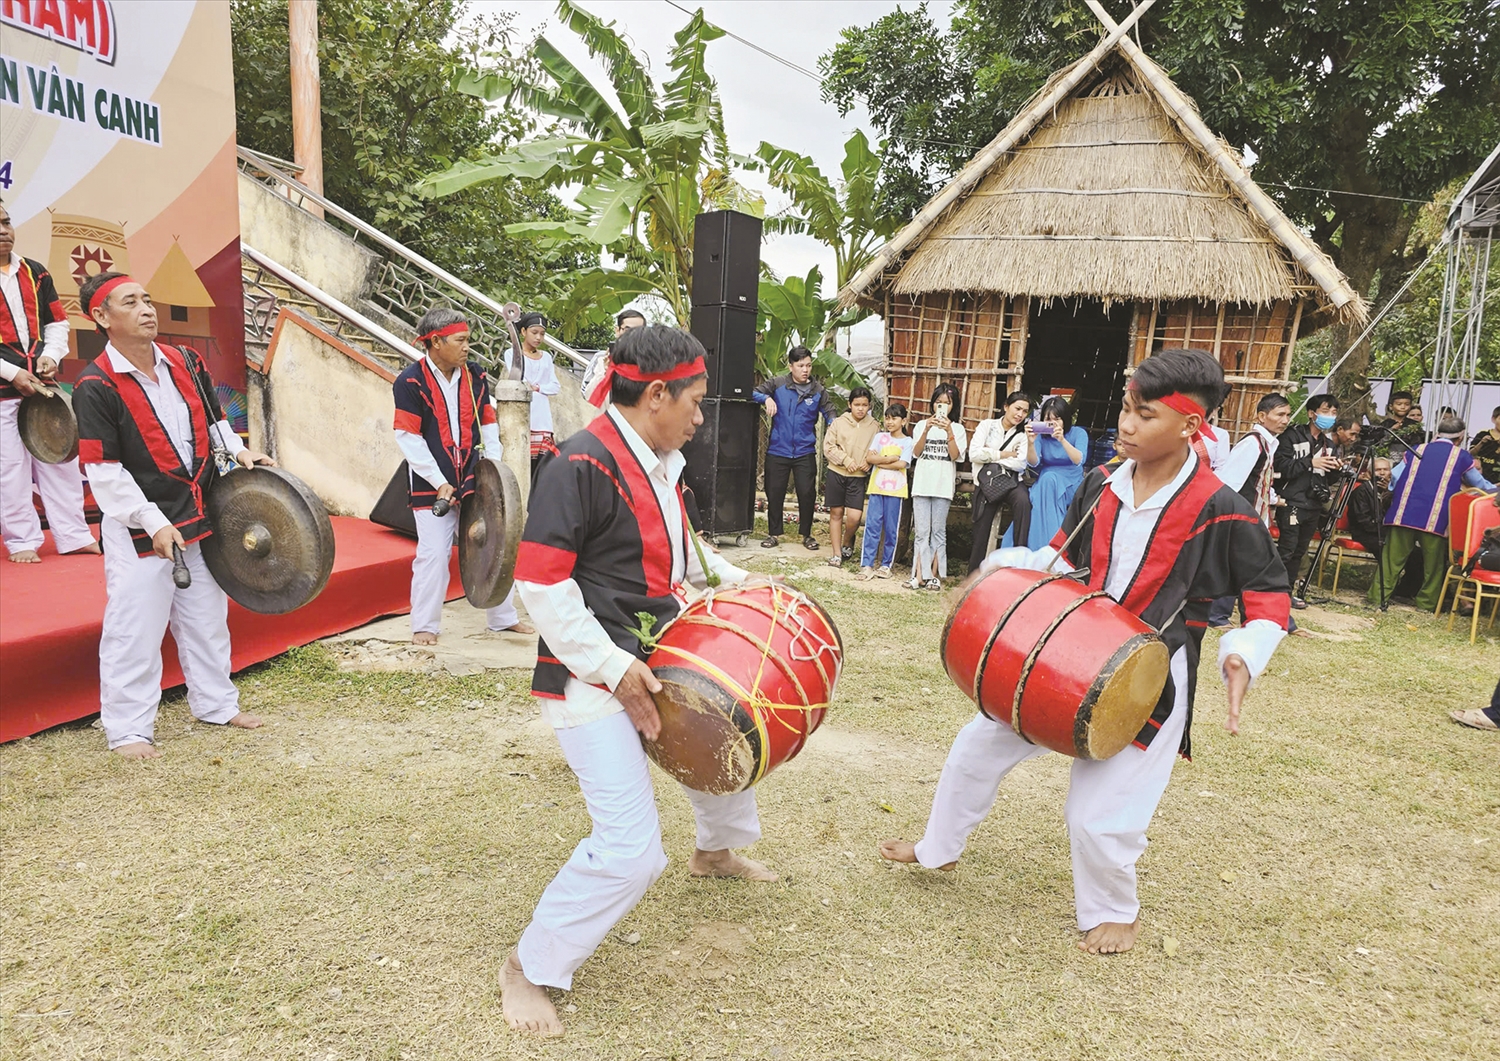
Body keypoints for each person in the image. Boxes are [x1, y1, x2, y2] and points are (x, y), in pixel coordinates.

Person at [880, 348, 1289, 956]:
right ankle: (938, 849)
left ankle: (1116, 910)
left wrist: (1244, 652)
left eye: (1144, 415)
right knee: (974, 748)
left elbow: (1268, 591)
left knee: (1097, 816)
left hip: (1152, 675)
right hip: (1062, 656)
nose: (1126, 425)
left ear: (1189, 426)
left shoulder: (1218, 507)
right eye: (1126, 409)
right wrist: (993, 576)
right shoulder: (1100, 485)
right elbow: (1059, 558)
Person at [504, 325, 771, 1038]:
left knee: (728, 737)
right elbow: (540, 582)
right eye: (696, 400)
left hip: (658, 655)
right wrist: (615, 668)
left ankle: (714, 851)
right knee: (629, 851)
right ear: (656, 393)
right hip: (590, 676)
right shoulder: (580, 464)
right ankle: (529, 967)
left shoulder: (658, 459)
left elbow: (684, 553)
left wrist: (743, 585)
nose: (701, 416)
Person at [70, 271, 272, 759]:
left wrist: (238, 453)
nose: (146, 309)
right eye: (130, 302)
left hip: (197, 512)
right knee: (135, 627)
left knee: (207, 617)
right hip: (140, 526)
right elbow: (104, 471)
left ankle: (216, 704)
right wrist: (151, 520)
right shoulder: (94, 386)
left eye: (147, 299)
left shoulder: (185, 360)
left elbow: (213, 418)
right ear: (101, 317)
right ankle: (128, 729)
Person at [393, 306, 533, 645]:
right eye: (461, 340)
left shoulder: (475, 375)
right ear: (436, 342)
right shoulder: (409, 381)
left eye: (468, 339)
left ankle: (502, 617)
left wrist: (494, 469)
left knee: (497, 544)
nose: (467, 346)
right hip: (432, 484)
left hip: (475, 477)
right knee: (434, 553)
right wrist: (438, 480)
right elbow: (408, 437)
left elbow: (488, 421)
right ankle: (425, 624)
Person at [0, 202, 97, 563]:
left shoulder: (35, 271)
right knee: (9, 468)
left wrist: (52, 356)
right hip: (3, 390)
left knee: (61, 460)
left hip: (42, 387)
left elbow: (57, 323)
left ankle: (73, 535)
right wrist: (12, 373)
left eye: (6, 222)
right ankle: (21, 540)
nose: (3, 231)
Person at [1369, 415, 1496, 611]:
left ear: (1438, 433)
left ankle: (1377, 598)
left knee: (1391, 560)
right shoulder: (1461, 456)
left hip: (1403, 513)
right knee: (1433, 566)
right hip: (1436, 518)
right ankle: (1426, 604)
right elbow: (1479, 485)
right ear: (1460, 437)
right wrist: (1496, 491)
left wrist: (1396, 492)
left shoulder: (1417, 448)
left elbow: (1395, 475)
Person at [1207, 392, 1292, 628]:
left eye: (1287, 414)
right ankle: (1221, 616)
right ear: (1262, 416)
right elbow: (1230, 483)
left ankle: (1259, 616)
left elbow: (1258, 480)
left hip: (1255, 516)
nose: (1285, 419)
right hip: (1244, 517)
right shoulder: (1252, 443)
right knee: (1245, 566)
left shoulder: (1267, 443)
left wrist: (1273, 498)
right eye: (1280, 414)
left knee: (1245, 567)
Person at [754, 346, 834, 550]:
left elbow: (830, 415)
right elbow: (753, 392)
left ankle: (806, 535)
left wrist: (837, 427)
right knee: (774, 492)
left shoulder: (818, 391)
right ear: (790, 366)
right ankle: (773, 534)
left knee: (807, 493)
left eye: (808, 365)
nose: (805, 369)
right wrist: (767, 398)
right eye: (800, 365)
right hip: (777, 450)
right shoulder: (778, 384)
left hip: (804, 451)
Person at [1273, 394, 1343, 606]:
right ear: (1312, 414)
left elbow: (1327, 477)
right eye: (1325, 412)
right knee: (1287, 548)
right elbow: (1280, 467)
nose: (1329, 417)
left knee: (1300, 551)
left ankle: (1287, 592)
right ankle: (1271, 592)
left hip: (1314, 502)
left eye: (1333, 413)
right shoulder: (1291, 436)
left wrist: (1336, 470)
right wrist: (1309, 462)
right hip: (1291, 501)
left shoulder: (1329, 443)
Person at [907, 384, 968, 589]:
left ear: (953, 406)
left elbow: (954, 456)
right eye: (938, 402)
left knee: (938, 532)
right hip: (922, 485)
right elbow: (915, 453)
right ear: (933, 404)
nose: (941, 407)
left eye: (946, 404)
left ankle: (934, 576)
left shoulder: (958, 429)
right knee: (922, 531)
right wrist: (926, 429)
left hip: (942, 486)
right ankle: (917, 575)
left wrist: (949, 429)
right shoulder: (921, 425)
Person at [966, 392, 1033, 573]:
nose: (1020, 414)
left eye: (1025, 411)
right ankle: (973, 574)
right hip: (987, 481)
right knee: (981, 529)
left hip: (1011, 481)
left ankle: (1019, 565)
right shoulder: (987, 426)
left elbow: (1020, 463)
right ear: (1006, 407)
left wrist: (990, 456)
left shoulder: (1023, 434)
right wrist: (1003, 454)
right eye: (1017, 408)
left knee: (1024, 503)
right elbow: (973, 454)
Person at [1023, 396, 1089, 552]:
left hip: (1072, 481)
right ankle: (1047, 545)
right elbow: (1033, 463)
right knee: (1047, 481)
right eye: (1048, 419)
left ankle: (1048, 547)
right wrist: (1031, 443)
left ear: (1065, 418)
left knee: (1047, 482)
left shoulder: (1078, 433)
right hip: (1047, 482)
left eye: (1057, 419)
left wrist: (1062, 440)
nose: (1053, 423)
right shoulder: (1041, 437)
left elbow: (1079, 459)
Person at [822, 385, 878, 568]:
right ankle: (837, 554)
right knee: (836, 513)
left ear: (869, 406)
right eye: (857, 404)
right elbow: (828, 447)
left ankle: (847, 541)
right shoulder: (839, 422)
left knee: (854, 517)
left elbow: (877, 449)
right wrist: (845, 460)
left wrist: (869, 462)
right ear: (849, 404)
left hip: (859, 477)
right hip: (837, 473)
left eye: (864, 405)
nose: (860, 408)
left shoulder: (874, 426)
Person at [857, 403, 912, 581]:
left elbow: (902, 464)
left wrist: (880, 462)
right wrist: (889, 459)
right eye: (887, 418)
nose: (889, 422)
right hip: (876, 488)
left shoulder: (907, 442)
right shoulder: (880, 437)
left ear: (903, 421)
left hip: (896, 491)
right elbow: (870, 458)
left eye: (894, 418)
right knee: (872, 525)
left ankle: (886, 565)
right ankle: (867, 564)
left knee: (891, 528)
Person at [515, 312, 562, 478]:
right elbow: (518, 380)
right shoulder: (513, 354)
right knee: (524, 469)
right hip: (524, 418)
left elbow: (555, 386)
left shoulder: (546, 357)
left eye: (542, 334)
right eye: (534, 332)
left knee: (543, 471)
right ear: (523, 332)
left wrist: (538, 387)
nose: (538, 337)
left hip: (543, 422)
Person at [1346, 456, 1392, 557]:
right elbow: (1362, 521)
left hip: (1385, 533)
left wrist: (1387, 494)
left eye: (1386, 470)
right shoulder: (1360, 492)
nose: (1382, 473)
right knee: (1388, 550)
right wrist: (1385, 531)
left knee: (1415, 553)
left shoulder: (1391, 493)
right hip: (1365, 534)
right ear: (1370, 473)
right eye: (1378, 470)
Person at [1380, 390, 1425, 457]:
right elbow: (1379, 445)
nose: (1403, 407)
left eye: (1406, 404)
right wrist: (1392, 430)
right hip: (1388, 459)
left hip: (1408, 458)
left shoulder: (1414, 425)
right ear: (1391, 406)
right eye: (1399, 404)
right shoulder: (1385, 425)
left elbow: (1419, 444)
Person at [1468, 405, 1500, 482]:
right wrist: (1481, 443)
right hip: (1480, 478)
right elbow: (1471, 453)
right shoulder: (1482, 434)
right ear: (1493, 419)